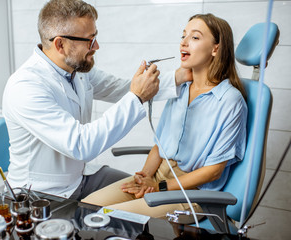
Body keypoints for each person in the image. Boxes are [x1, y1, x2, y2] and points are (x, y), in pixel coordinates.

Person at [2, 0, 189, 201]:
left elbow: (122, 88)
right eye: (90, 40)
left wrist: (180, 76)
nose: (96, 46)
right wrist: (137, 97)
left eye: (95, 37)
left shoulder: (77, 70)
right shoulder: (26, 87)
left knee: (142, 198)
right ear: (60, 44)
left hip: (80, 178)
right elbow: (81, 145)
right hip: (41, 194)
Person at [82, 13, 248, 223]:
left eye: (195, 37)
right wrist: (144, 176)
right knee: (88, 207)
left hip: (191, 192)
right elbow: (159, 146)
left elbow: (213, 171)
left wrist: (159, 187)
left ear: (216, 48)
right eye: (183, 36)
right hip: (158, 177)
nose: (183, 43)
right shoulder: (179, 89)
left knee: (111, 218)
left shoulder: (230, 100)